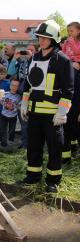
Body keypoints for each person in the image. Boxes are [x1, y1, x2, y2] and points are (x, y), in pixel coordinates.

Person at [19, 20, 74, 193]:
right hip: (34, 113)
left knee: (54, 149)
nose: (41, 41)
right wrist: (24, 103)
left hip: (53, 117)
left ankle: (53, 181)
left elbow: (68, 90)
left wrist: (62, 112)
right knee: (33, 147)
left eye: (45, 38)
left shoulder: (63, 61)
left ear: (54, 39)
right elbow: (28, 85)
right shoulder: (34, 58)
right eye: (40, 37)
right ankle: (33, 177)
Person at [61, 22, 80, 163]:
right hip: (70, 76)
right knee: (68, 122)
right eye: (68, 31)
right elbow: (63, 54)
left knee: (74, 122)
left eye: (72, 30)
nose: (69, 33)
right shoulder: (67, 42)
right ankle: (66, 155)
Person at [0, 79, 21, 147]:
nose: (14, 87)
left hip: (13, 116)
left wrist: (14, 107)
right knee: (3, 129)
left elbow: (18, 106)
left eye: (16, 86)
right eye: (13, 85)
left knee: (12, 130)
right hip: (4, 115)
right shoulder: (5, 94)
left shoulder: (18, 96)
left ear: (18, 87)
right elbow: (0, 100)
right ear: (10, 85)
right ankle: (3, 142)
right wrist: (3, 102)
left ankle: (11, 141)